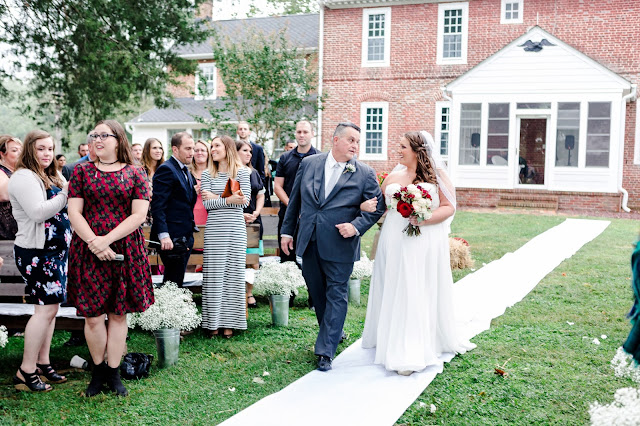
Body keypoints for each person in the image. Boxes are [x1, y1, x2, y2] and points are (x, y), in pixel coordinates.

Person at [361, 131, 475, 376]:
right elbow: (378, 207)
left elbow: (449, 207)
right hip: (392, 238)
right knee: (393, 284)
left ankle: (411, 347)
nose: (398, 150)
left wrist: (425, 218)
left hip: (422, 240)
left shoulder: (438, 176)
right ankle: (390, 338)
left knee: (414, 286)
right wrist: (363, 207)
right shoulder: (393, 176)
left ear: (416, 149)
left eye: (402, 146)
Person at [280, 122, 385, 372]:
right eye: (351, 140)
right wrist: (286, 231)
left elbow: (377, 207)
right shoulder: (309, 164)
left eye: (358, 142)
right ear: (335, 140)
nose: (355, 146)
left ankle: (325, 350)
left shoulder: (365, 173)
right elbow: (295, 201)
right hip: (309, 239)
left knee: (337, 293)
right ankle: (333, 334)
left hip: (341, 243)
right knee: (317, 293)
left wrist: (356, 226)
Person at [67, 119, 153, 397]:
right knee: (92, 317)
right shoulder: (81, 171)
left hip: (125, 249)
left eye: (104, 135)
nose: (97, 139)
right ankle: (97, 373)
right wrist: (94, 241)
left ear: (118, 139)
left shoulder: (136, 173)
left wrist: (107, 240)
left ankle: (114, 374)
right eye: (94, 135)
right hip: (88, 250)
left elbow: (138, 215)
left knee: (118, 314)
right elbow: (74, 212)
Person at [10, 130, 71, 392]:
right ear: (29, 151)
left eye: (50, 149)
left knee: (52, 309)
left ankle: (43, 362)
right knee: (43, 310)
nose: (47, 154)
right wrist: (66, 194)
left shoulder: (48, 174)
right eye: (40, 149)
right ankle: (26, 370)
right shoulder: (24, 176)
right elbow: (37, 213)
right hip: (37, 253)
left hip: (55, 253)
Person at [201, 135, 250, 338]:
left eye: (217, 145)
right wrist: (229, 198)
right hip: (214, 231)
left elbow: (243, 202)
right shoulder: (206, 174)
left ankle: (230, 322)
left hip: (234, 230)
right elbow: (206, 204)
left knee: (232, 275)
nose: (212, 149)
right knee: (214, 276)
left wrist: (219, 198)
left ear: (228, 148)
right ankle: (212, 322)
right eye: (211, 146)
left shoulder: (241, 172)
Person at [150, 132, 197, 287]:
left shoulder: (185, 170)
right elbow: (158, 206)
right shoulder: (166, 170)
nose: (192, 152)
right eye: (188, 148)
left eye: (193, 148)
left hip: (185, 236)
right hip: (171, 239)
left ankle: (173, 309)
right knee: (172, 282)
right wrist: (164, 236)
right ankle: (169, 310)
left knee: (176, 280)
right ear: (175, 150)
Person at [275, 121, 319, 264]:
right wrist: (293, 207)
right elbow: (277, 186)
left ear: (312, 134)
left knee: (311, 259)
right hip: (287, 215)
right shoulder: (285, 158)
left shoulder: (320, 158)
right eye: (299, 132)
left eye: (305, 132)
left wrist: (305, 209)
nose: (301, 135)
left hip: (310, 216)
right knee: (287, 257)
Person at [237, 139, 265, 309]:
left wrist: (256, 212)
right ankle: (237, 293)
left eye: (250, 152)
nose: (249, 154)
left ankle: (250, 294)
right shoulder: (230, 173)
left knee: (253, 259)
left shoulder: (253, 172)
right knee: (239, 259)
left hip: (254, 219)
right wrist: (240, 215)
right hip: (236, 219)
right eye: (245, 151)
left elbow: (260, 194)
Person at [0, 135, 22, 240]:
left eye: (21, 150)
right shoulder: (1, 172)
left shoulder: (19, 172)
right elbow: (4, 194)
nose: (20, 153)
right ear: (2, 154)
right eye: (14, 150)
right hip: (5, 236)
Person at [190, 139, 210, 227]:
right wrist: (191, 192)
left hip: (211, 215)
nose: (199, 153)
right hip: (191, 215)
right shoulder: (186, 172)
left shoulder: (215, 173)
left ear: (208, 153)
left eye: (203, 150)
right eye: (196, 150)